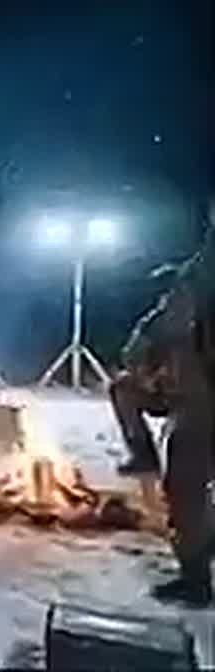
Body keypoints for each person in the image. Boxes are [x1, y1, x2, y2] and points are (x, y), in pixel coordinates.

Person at [148, 213, 215, 606]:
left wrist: (146, 347)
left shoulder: (206, 266)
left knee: (187, 483)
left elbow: (176, 314)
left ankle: (196, 577)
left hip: (205, 393)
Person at [109, 266, 181, 477]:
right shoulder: (154, 324)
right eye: (165, 294)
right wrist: (146, 375)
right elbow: (130, 354)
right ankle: (143, 455)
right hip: (167, 390)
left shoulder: (205, 319)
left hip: (201, 395)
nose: (169, 299)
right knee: (121, 387)